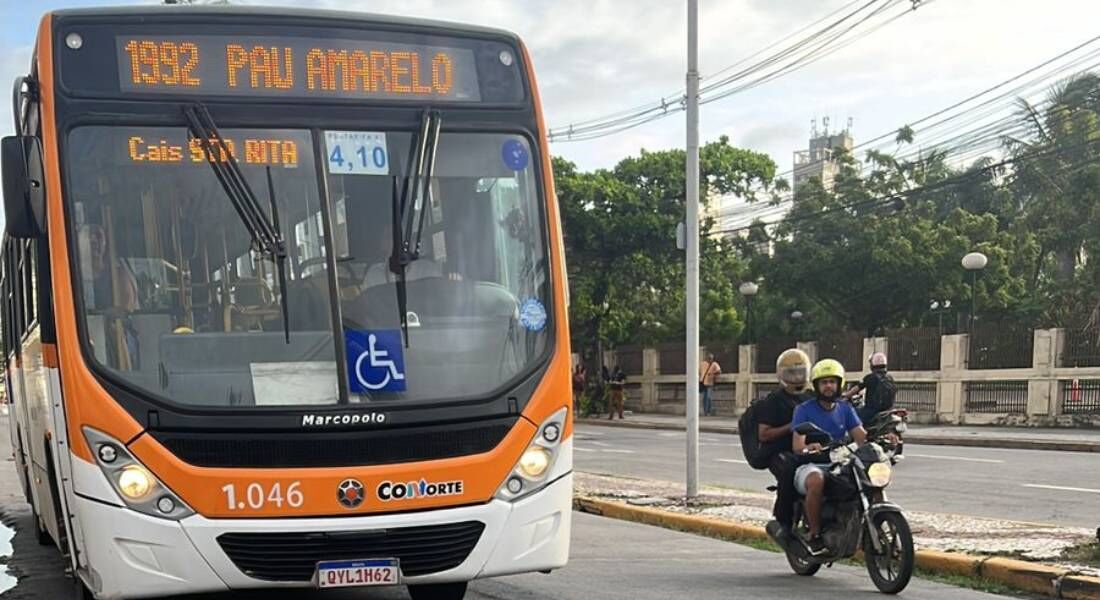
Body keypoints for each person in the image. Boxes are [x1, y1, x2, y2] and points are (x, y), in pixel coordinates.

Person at [792, 358, 867, 556]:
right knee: (817, 480)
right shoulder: (804, 410)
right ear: (816, 385)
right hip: (811, 465)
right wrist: (810, 447)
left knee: (865, 477)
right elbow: (797, 445)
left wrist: (882, 441)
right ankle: (815, 534)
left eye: (832, 381)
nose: (828, 386)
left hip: (839, 462)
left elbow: (861, 437)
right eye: (824, 382)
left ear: (839, 384)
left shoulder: (845, 408)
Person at [757, 348, 813, 533]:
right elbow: (763, 434)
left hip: (803, 447)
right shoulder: (773, 400)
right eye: (792, 373)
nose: (797, 378)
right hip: (778, 450)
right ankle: (783, 523)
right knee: (789, 472)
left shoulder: (810, 396)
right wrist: (790, 426)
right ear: (782, 374)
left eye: (800, 372)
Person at [843, 351, 897, 424]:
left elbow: (856, 389)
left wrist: (846, 395)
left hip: (872, 411)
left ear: (872, 365)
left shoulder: (870, 378)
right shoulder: (890, 378)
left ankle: (860, 435)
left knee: (854, 417)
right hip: (888, 410)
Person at [699, 352, 722, 416]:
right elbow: (699, 372)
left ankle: (708, 411)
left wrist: (712, 374)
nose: (710, 359)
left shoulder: (714, 364)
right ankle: (706, 411)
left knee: (708, 397)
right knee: (705, 398)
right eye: (709, 358)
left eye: (711, 358)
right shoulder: (702, 364)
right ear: (706, 358)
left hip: (710, 383)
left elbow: (719, 371)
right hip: (703, 382)